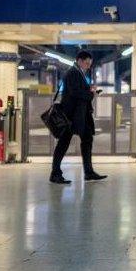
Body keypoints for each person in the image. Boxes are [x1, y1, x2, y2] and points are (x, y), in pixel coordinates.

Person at [50, 50, 108, 184]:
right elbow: (75, 92)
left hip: (80, 115)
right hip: (71, 116)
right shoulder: (73, 72)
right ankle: (55, 173)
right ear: (80, 61)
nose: (88, 66)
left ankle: (88, 172)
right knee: (63, 143)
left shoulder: (79, 73)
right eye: (87, 63)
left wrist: (89, 90)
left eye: (90, 64)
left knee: (87, 139)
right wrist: (91, 93)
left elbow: (78, 90)